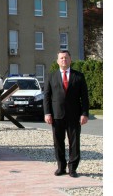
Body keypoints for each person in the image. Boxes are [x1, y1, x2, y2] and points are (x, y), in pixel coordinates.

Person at [43, 50, 89, 178]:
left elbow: (84, 97)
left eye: (66, 58)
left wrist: (84, 113)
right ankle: (61, 167)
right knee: (58, 142)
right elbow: (46, 96)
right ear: (57, 61)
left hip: (74, 115)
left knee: (74, 142)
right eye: (61, 58)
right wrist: (47, 113)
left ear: (70, 60)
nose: (64, 60)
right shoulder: (51, 76)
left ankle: (73, 168)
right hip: (57, 116)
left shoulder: (79, 76)